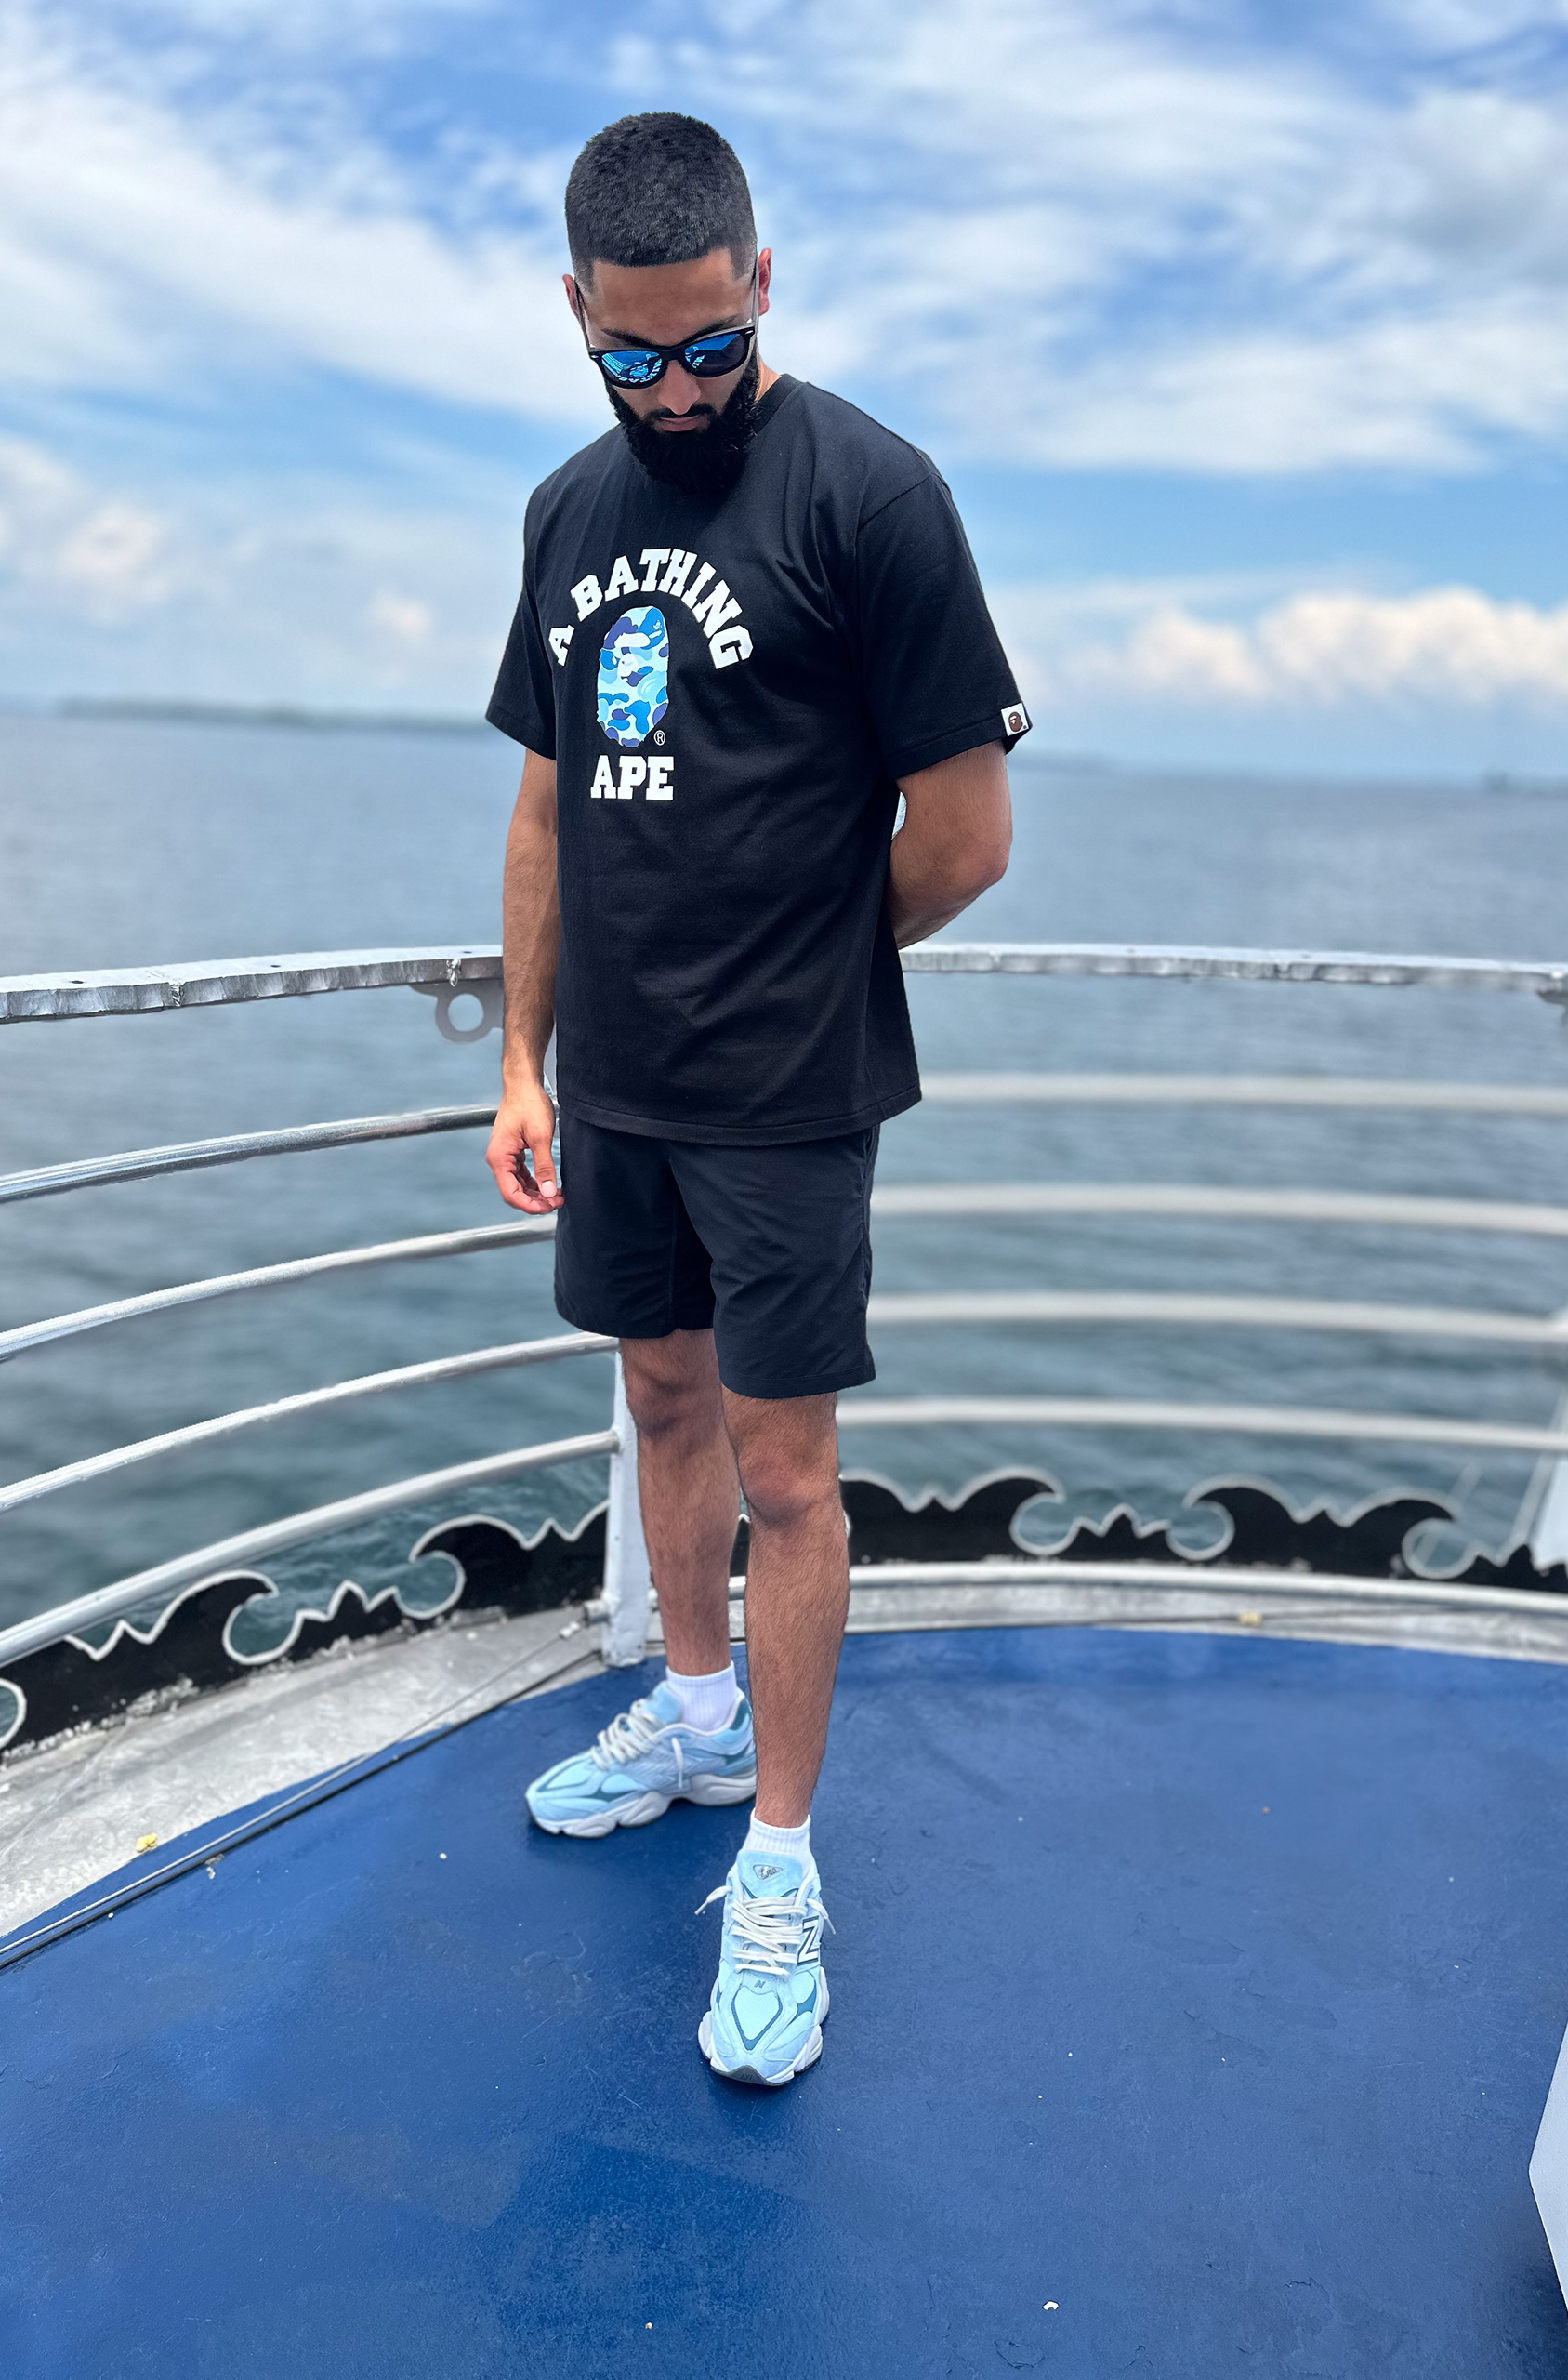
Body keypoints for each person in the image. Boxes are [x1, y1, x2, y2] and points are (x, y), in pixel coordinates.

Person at [484, 112, 1029, 2087]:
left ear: (764, 279)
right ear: (577, 316)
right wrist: (531, 1055)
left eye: (710, 343)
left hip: (790, 1095)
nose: (682, 387)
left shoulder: (875, 495)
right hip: (619, 1085)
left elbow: (963, 838)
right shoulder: (565, 513)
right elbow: (547, 800)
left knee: (791, 1476)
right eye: (637, 356)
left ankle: (783, 1860)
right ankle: (696, 1712)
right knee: (656, 1395)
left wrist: (806, 955)